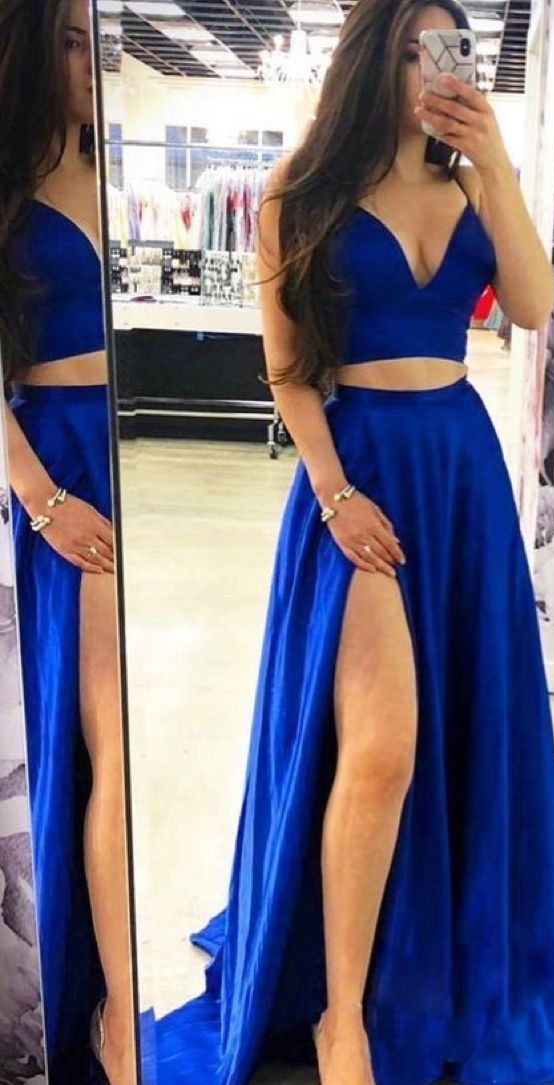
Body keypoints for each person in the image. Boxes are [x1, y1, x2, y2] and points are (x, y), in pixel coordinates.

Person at [150, 2, 554, 1084]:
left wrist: (498, 165)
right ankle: (341, 1017)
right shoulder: (298, 190)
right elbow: (288, 370)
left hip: (460, 474)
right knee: (378, 749)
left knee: (463, 727)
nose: (437, 70)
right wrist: (335, 496)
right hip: (360, 476)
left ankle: (412, 966)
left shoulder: (471, 182)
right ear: (376, 55)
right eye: (420, 49)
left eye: (453, 51)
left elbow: (533, 304)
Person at [0, 2, 135, 1083]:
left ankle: (115, 1006)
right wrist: (43, 500)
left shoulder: (114, 166)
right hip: (62, 461)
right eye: (73, 40)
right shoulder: (10, 187)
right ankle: (111, 1016)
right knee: (104, 746)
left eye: (100, 39)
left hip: (129, 454)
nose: (94, 61)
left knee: (120, 746)